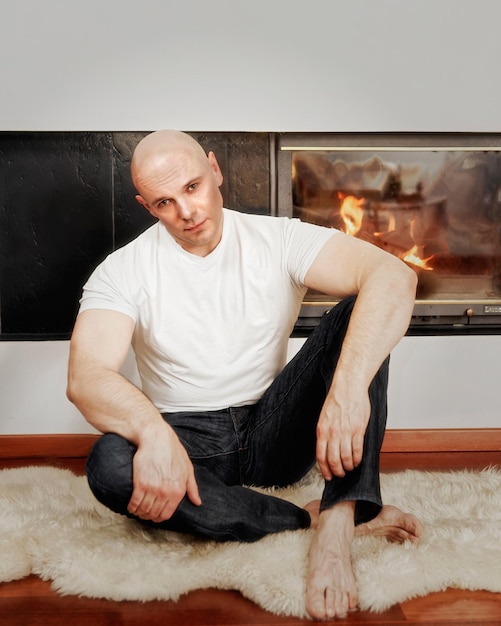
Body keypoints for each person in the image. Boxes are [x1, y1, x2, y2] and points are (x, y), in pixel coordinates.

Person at [67, 130, 422, 621]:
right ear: (146, 205)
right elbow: (86, 376)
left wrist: (345, 393)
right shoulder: (121, 271)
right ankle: (299, 519)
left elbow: (395, 276)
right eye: (165, 201)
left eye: (193, 187)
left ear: (214, 170)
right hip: (188, 444)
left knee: (363, 312)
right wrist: (152, 433)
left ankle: (339, 522)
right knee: (109, 463)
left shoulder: (278, 238)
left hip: (274, 429)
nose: (187, 212)